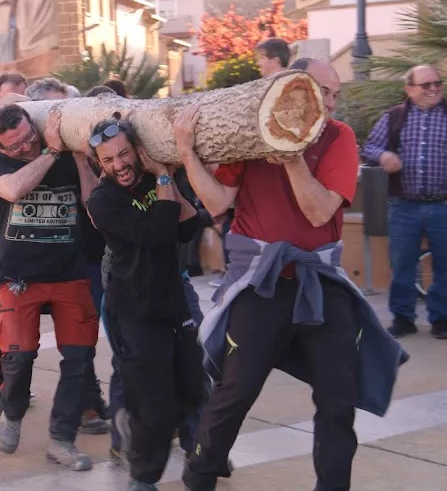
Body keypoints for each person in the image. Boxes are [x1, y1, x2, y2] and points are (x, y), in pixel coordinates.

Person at [176, 57, 407, 491]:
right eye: (323, 92)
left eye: (337, 94)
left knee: (338, 398)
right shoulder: (248, 136)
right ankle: (200, 476)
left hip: (320, 283)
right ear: (294, 88)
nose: (332, 104)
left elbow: (319, 210)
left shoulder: (339, 136)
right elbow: (219, 203)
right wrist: (188, 153)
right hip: (261, 285)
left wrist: (289, 154)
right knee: (236, 390)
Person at [86, 118, 205, 491]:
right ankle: (143, 477)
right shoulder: (102, 201)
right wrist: (166, 180)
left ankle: (135, 421)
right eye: (108, 160)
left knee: (192, 388)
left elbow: (187, 227)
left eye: (123, 154)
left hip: (173, 300)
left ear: (139, 151)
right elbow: (156, 233)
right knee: (154, 402)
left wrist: (166, 173)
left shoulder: (158, 179)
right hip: (134, 309)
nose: (118, 165)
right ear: (100, 165)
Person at [0, 104, 99, 470]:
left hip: (69, 272)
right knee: (18, 358)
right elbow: (14, 189)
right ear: (1, 149)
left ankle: (61, 439)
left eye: (29, 137)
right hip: (20, 277)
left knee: (79, 360)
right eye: (16, 146)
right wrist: (49, 152)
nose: (26, 147)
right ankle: (12, 412)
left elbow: (93, 204)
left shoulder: (65, 157)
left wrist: (79, 158)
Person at [361, 64, 447, 339]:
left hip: (442, 205)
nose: (434, 89)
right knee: (401, 266)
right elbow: (370, 147)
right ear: (409, 89)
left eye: (438, 83)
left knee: (445, 266)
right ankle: (403, 318)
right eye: (426, 85)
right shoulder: (394, 117)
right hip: (403, 206)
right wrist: (384, 156)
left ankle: (442, 319)